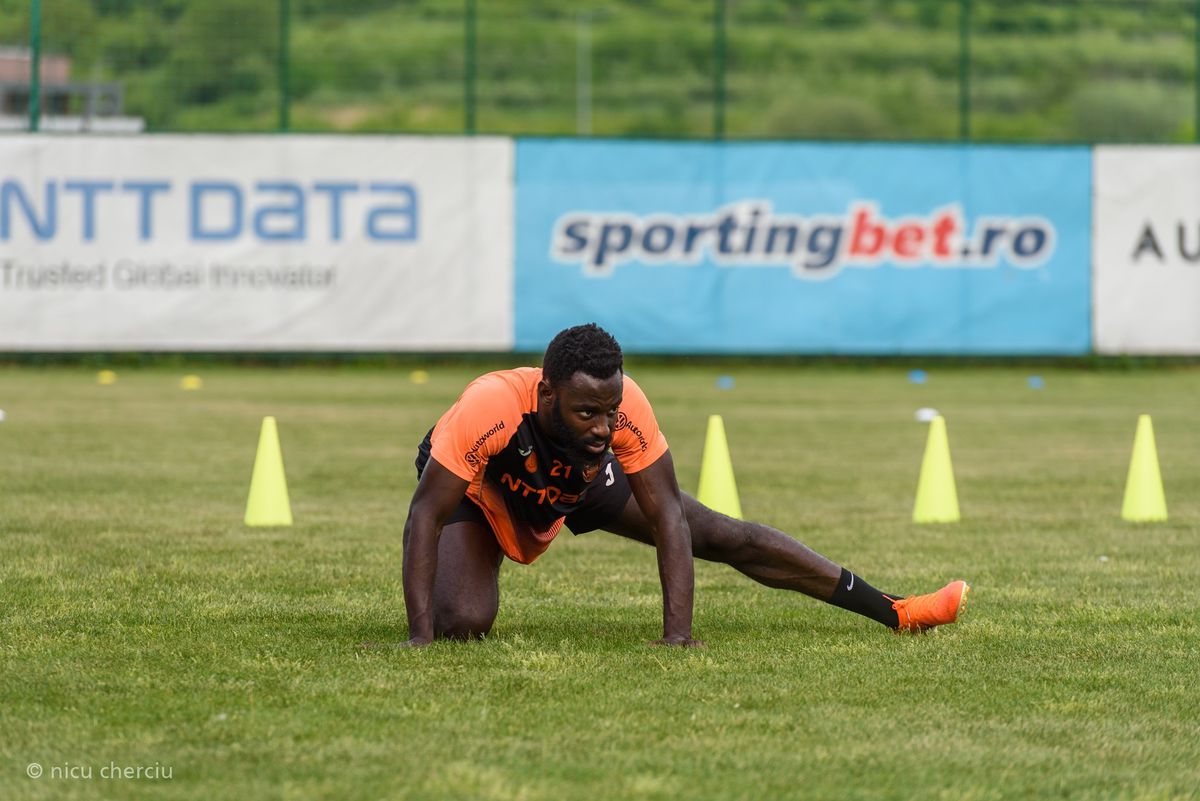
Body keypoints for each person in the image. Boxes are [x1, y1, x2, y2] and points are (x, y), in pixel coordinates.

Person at [398, 323, 968, 648]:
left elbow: (668, 517)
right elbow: (425, 514)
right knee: (462, 623)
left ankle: (897, 610)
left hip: (575, 479)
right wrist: (418, 638)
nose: (603, 428)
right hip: (488, 490)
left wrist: (678, 637)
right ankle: (453, 593)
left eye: (610, 411)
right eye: (586, 412)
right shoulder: (490, 406)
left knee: (722, 533)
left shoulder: (623, 410)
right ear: (547, 394)